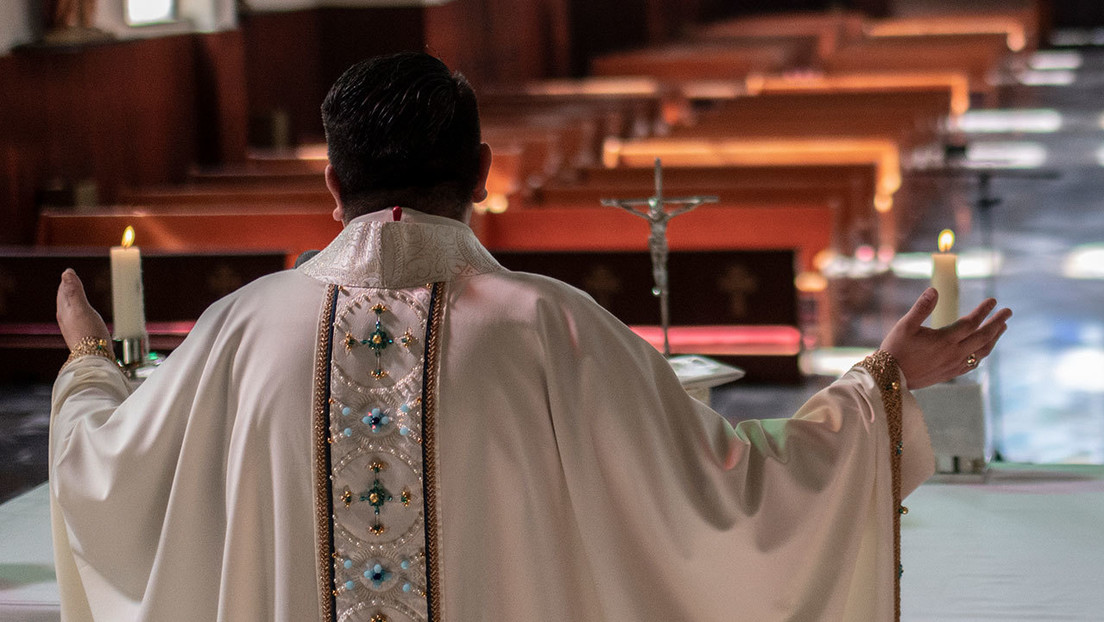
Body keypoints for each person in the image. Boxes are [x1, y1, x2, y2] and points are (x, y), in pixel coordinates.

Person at [51, 51, 1011, 621]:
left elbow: (113, 475)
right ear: (481, 172)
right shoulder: (554, 326)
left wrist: (91, 361)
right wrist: (880, 383)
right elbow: (730, 500)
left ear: (333, 185)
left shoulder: (237, 329)